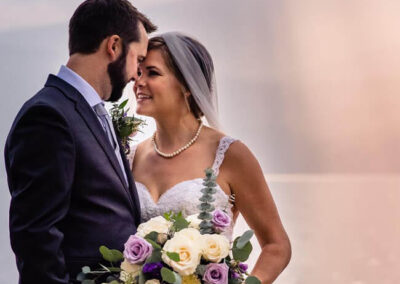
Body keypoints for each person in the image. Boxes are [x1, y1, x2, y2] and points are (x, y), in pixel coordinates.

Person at [4, 1, 156, 283]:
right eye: (138, 59)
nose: (137, 74)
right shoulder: (48, 115)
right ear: (114, 46)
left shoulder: (95, 114)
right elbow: (36, 236)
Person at [129, 32, 291, 283]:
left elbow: (276, 246)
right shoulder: (132, 156)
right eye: (138, 73)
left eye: (152, 73)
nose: (138, 82)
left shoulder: (229, 155)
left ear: (187, 86)